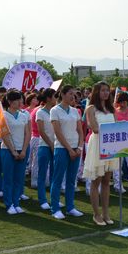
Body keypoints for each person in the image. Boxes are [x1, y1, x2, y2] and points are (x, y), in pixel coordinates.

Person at [83, 82, 119, 225]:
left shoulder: (111, 109)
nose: (105, 93)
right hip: (98, 144)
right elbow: (94, 128)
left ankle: (105, 213)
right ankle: (96, 214)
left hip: (110, 145)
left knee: (106, 181)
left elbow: (116, 126)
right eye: (103, 90)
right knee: (96, 180)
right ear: (96, 92)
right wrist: (110, 130)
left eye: (107, 90)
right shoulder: (91, 108)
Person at [49, 85, 85, 219]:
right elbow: (58, 132)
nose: (72, 96)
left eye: (73, 94)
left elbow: (80, 131)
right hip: (62, 149)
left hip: (75, 149)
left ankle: (70, 207)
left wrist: (79, 147)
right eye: (70, 93)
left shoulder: (75, 111)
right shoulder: (55, 110)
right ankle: (55, 208)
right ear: (63, 94)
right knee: (58, 179)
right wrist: (69, 149)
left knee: (71, 180)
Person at [0, 90, 31, 215]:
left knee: (19, 178)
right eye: (17, 100)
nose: (20, 102)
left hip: (22, 150)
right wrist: (13, 151)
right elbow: (4, 134)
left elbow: (27, 133)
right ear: (10, 102)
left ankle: (16, 203)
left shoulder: (23, 115)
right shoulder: (3, 115)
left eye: (20, 100)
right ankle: (9, 204)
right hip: (7, 150)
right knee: (8, 178)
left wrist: (23, 150)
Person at [35, 88, 57, 210]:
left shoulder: (56, 111)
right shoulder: (40, 112)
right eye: (54, 96)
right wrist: (51, 144)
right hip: (44, 145)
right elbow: (41, 131)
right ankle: (42, 199)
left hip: (57, 145)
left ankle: (54, 199)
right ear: (48, 98)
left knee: (55, 174)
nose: (56, 98)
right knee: (42, 173)